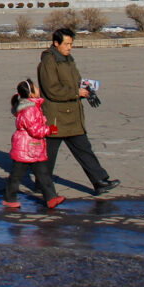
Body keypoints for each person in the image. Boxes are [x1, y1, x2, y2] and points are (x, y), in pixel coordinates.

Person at [38, 28, 120, 195]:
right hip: (56, 116)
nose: (69, 47)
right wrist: (75, 93)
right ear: (56, 43)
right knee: (48, 154)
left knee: (84, 149)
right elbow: (51, 89)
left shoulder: (68, 60)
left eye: (71, 44)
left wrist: (86, 90)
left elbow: (75, 81)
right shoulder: (49, 61)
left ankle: (100, 181)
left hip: (72, 114)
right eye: (66, 44)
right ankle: (41, 184)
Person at [3, 77, 65, 209]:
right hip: (25, 148)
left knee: (44, 174)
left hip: (34, 148)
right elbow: (35, 130)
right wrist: (49, 130)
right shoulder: (30, 109)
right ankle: (9, 198)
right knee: (16, 176)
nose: (38, 89)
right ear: (31, 93)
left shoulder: (33, 106)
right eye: (36, 87)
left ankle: (51, 198)